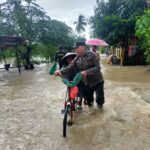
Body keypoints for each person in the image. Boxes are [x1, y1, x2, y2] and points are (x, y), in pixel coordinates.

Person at [55, 41, 105, 109]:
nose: (76, 50)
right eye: (75, 48)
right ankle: (93, 112)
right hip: (87, 83)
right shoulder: (76, 58)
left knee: (99, 99)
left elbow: (98, 68)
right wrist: (60, 71)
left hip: (97, 81)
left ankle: (100, 111)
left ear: (83, 47)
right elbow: (69, 67)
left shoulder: (92, 55)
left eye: (77, 48)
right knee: (90, 100)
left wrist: (86, 72)